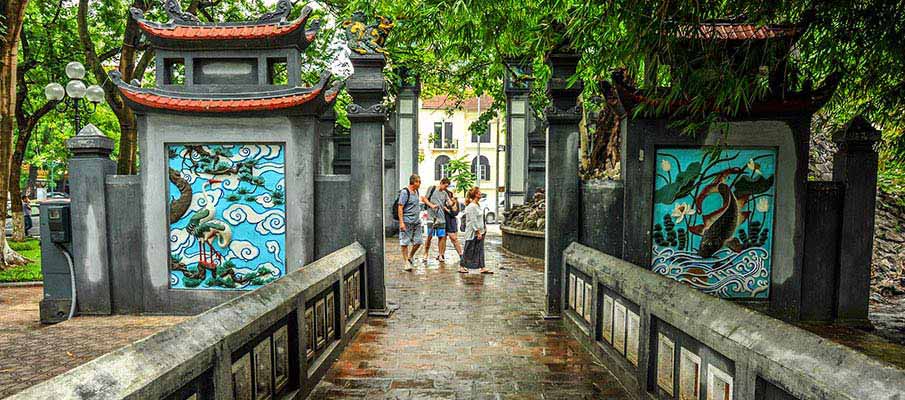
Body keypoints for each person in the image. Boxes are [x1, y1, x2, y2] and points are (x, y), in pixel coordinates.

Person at [460, 186, 492, 274]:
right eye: (479, 193)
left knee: (480, 249)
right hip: (472, 232)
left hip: (480, 231)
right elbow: (473, 220)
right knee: (469, 248)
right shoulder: (472, 206)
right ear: (475, 195)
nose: (480, 194)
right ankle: (462, 265)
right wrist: (477, 232)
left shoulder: (477, 205)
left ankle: (482, 267)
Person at [397, 174, 423, 271]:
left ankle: (410, 256)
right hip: (407, 220)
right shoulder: (405, 192)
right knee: (405, 242)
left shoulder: (416, 191)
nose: (420, 184)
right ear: (413, 182)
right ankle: (406, 262)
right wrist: (401, 222)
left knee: (419, 241)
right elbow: (400, 207)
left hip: (416, 221)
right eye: (418, 181)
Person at [421, 178, 450, 262]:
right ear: (441, 183)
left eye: (447, 187)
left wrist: (452, 202)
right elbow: (424, 199)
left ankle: (440, 255)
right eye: (445, 186)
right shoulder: (432, 188)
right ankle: (425, 253)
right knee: (429, 236)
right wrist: (431, 205)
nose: (445, 188)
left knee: (441, 237)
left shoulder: (445, 193)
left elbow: (449, 203)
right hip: (431, 217)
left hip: (441, 218)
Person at [441, 187, 464, 261]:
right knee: (442, 238)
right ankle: (441, 255)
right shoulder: (442, 200)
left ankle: (461, 255)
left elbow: (455, 213)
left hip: (451, 221)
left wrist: (446, 209)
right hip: (443, 221)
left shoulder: (453, 201)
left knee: (454, 238)